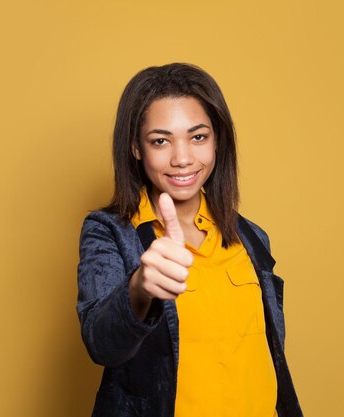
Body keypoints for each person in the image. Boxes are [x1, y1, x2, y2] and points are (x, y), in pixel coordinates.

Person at [77, 63, 304, 417]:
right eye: (160, 141)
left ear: (218, 141)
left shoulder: (252, 238)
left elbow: (267, 355)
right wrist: (139, 288)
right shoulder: (110, 231)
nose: (182, 158)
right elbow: (101, 344)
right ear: (136, 148)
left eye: (198, 137)